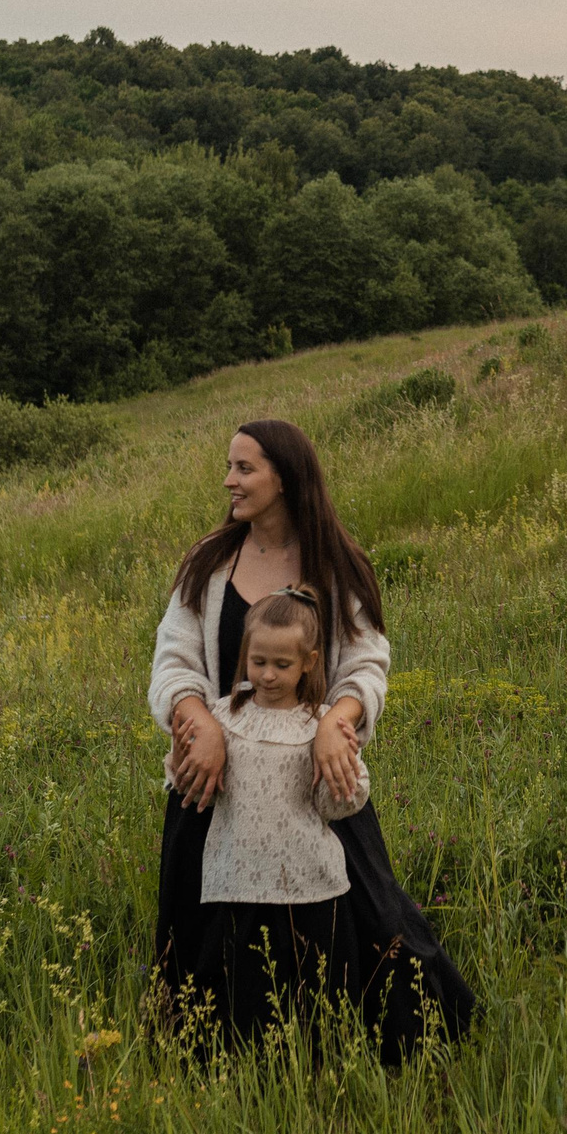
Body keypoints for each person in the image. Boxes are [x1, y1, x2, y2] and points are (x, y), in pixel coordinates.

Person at [147, 418, 476, 1061]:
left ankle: (366, 1051)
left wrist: (337, 720)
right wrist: (199, 721)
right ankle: (223, 1063)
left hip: (314, 780)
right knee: (209, 939)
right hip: (215, 785)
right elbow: (173, 660)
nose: (229, 481)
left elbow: (365, 663)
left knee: (368, 919)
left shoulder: (335, 564)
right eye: (230, 467)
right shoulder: (209, 562)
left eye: (245, 469)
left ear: (286, 478)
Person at [178, 586, 371, 1039]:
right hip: (238, 881)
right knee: (246, 995)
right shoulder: (222, 719)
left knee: (313, 993)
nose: (267, 675)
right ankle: (248, 1075)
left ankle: (318, 1064)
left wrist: (344, 778)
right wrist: (186, 757)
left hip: (309, 882)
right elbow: (188, 774)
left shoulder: (318, 724)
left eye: (282, 665)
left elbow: (333, 804)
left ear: (308, 662)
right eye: (258, 662)